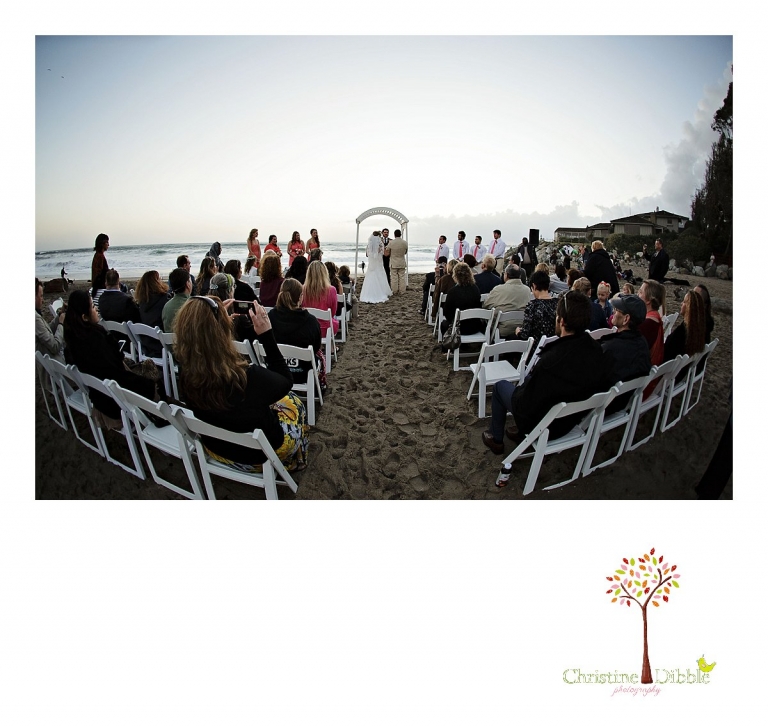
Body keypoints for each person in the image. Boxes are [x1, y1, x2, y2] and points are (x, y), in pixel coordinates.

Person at [173, 295, 308, 472]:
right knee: (295, 404)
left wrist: (219, 327)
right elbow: (285, 381)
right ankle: (294, 460)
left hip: (216, 449)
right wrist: (267, 334)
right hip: (260, 455)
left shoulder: (185, 373)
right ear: (221, 332)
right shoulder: (247, 377)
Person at [481, 290, 612, 456]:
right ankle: (519, 433)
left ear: (562, 321)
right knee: (528, 380)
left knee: (501, 387)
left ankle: (496, 439)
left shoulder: (551, 360)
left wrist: (521, 390)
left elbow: (526, 405)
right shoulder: (596, 349)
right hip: (571, 420)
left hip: (548, 425)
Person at [63, 289, 156, 420]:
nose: (96, 310)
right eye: (93, 307)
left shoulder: (73, 339)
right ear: (84, 317)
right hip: (116, 404)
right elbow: (117, 373)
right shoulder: (96, 342)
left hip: (100, 397)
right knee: (155, 382)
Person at [268, 278, 327, 392]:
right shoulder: (310, 321)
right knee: (319, 355)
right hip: (303, 373)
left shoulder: (270, 317)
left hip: (275, 372)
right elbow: (316, 347)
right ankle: (321, 385)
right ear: (300, 297)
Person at [600, 294, 652, 412]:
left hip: (606, 406)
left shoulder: (611, 348)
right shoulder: (642, 342)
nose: (613, 311)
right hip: (624, 401)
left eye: (617, 310)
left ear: (626, 319)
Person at [482, 264, 532, 339]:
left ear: (506, 275)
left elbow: (485, 306)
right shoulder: (527, 290)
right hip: (522, 328)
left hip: (503, 330)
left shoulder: (498, 289)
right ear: (520, 276)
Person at [514, 270, 558, 351]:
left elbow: (524, 335)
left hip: (535, 350)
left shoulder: (533, 306)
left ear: (534, 286)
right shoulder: (558, 303)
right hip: (553, 347)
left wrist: (518, 331)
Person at [440, 262, 483, 337]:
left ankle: (448, 347)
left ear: (455, 275)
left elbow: (447, 314)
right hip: (475, 326)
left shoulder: (453, 292)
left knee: (443, 324)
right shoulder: (476, 289)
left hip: (458, 328)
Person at [664, 290, 706, 363]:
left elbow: (667, 352)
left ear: (689, 307)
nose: (681, 304)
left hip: (669, 370)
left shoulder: (681, 332)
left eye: (684, 302)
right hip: (682, 369)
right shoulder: (698, 330)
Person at [134, 270, 169, 357]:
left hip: (147, 345)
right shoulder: (164, 299)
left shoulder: (142, 303)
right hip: (161, 346)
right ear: (156, 282)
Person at [302, 260, 340, 337]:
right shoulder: (331, 290)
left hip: (307, 328)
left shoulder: (302, 289)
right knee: (333, 321)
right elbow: (333, 312)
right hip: (326, 329)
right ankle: (331, 347)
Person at [35, 277, 65, 362]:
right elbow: (55, 346)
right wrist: (61, 324)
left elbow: (47, 331)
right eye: (41, 296)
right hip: (52, 366)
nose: (43, 300)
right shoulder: (35, 319)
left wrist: (59, 315)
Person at [637, 279, 665, 366]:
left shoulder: (647, 324)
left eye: (640, 292)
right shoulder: (655, 317)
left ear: (648, 300)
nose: (637, 294)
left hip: (645, 375)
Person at [359, 231, 391, 304]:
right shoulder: (381, 244)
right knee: (380, 277)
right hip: (379, 265)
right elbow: (384, 253)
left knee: (369, 278)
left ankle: (368, 293)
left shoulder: (369, 245)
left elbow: (367, 254)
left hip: (371, 266)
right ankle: (381, 292)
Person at [162, 268, 192, 333]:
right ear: (187, 284)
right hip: (187, 342)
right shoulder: (192, 305)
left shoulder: (166, 306)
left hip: (169, 342)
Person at [385, 229, 408, 295]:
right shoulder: (405, 242)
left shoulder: (391, 242)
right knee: (402, 277)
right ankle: (402, 291)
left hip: (393, 262)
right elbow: (405, 252)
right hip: (402, 261)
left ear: (394, 235)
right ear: (400, 234)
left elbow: (387, 251)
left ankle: (394, 290)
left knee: (394, 277)